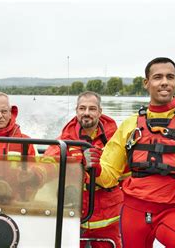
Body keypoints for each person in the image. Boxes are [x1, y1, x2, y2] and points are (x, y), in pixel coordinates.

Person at [86, 57, 175, 247]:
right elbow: (109, 175)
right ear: (146, 83)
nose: (164, 82)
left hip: (170, 213)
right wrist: (96, 167)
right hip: (133, 213)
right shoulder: (130, 125)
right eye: (158, 77)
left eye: (170, 77)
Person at [44, 91, 123, 248]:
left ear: (100, 112)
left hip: (108, 218)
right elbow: (48, 162)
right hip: (73, 215)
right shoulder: (64, 139)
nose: (86, 113)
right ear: (76, 111)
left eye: (92, 109)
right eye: (82, 108)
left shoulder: (115, 139)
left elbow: (122, 175)